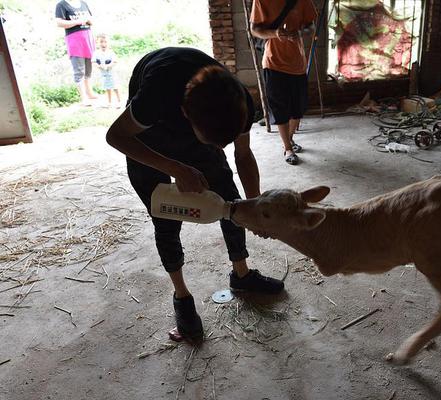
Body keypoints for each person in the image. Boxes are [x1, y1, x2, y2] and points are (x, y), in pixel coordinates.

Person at [106, 47, 284, 344]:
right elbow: (116, 136)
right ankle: (182, 298)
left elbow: (243, 153)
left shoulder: (238, 101)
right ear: (186, 115)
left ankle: (241, 275)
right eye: (215, 144)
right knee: (165, 216)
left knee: (231, 201)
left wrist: (256, 206)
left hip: (200, 124)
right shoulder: (156, 96)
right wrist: (175, 167)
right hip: (144, 140)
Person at [251, 0, 317, 165]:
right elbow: (255, 29)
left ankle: (291, 139)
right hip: (273, 62)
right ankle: (288, 148)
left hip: (297, 64)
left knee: (298, 108)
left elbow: (311, 26)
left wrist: (301, 33)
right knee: (280, 107)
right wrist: (275, 33)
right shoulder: (261, 1)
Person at [55, 0, 97, 106]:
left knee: (88, 68)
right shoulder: (61, 5)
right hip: (74, 39)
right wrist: (78, 21)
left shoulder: (83, 3)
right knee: (79, 70)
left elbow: (91, 19)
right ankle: (84, 98)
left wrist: (88, 20)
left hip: (87, 37)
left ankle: (90, 92)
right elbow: (59, 23)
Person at [93, 34, 121, 107]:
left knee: (115, 87)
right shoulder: (96, 53)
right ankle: (109, 102)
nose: (103, 44)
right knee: (107, 87)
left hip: (112, 73)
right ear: (98, 43)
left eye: (105, 42)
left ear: (108, 43)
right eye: (101, 42)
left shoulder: (111, 52)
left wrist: (108, 66)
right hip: (104, 74)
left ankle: (119, 101)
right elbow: (93, 62)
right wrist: (99, 66)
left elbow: (114, 61)